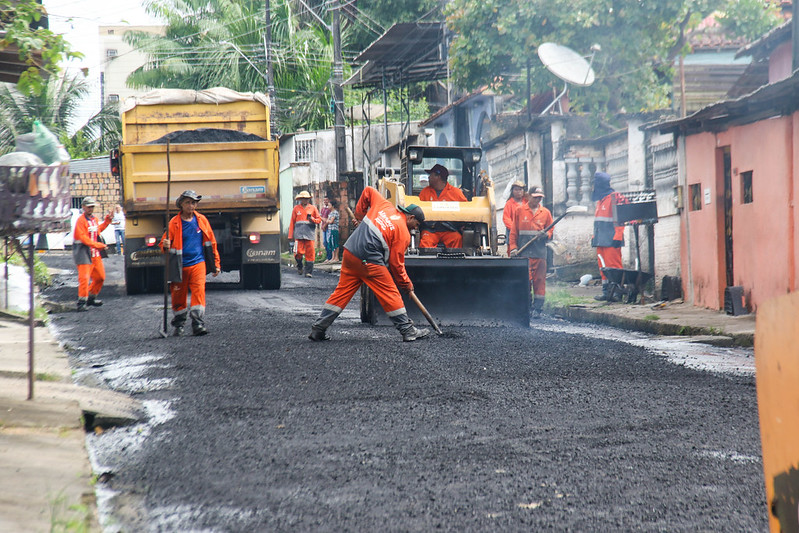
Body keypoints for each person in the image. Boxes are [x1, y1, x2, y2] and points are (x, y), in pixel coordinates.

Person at [309, 186, 429, 342]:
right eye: (417, 225)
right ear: (411, 217)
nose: (416, 229)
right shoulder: (403, 233)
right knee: (390, 292)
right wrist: (406, 285)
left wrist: (360, 216)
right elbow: (396, 264)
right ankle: (407, 330)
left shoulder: (384, 205)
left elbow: (368, 191)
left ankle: (318, 329)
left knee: (341, 293)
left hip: (350, 253)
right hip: (369, 259)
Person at [160, 190, 221, 336]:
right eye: (188, 202)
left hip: (198, 263)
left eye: (193, 203)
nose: (191, 205)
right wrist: (165, 245)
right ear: (181, 204)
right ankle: (179, 324)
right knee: (178, 296)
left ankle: (198, 324)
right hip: (179, 265)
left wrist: (216, 263)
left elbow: (212, 242)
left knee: (199, 291)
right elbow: (163, 245)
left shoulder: (202, 220)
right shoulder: (174, 223)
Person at [509, 186, 554, 319]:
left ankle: (538, 309)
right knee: (525, 281)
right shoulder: (520, 210)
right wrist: (513, 248)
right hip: (524, 254)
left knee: (539, 281)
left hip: (540, 253)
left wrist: (546, 234)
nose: (538, 199)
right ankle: (526, 307)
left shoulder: (545, 212)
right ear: (529, 196)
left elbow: (551, 230)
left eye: (540, 197)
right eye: (535, 197)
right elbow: (513, 232)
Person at [591, 171, 627, 301]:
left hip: (612, 239)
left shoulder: (615, 197)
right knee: (603, 267)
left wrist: (618, 235)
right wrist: (594, 236)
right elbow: (599, 221)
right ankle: (607, 293)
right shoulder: (600, 200)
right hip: (601, 240)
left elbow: (621, 218)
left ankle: (617, 293)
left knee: (614, 266)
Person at [72, 196, 112, 311]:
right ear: (83, 207)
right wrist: (98, 245)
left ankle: (91, 297)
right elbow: (83, 238)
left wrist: (107, 221)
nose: (91, 209)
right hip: (84, 252)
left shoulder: (94, 220)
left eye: (92, 207)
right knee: (84, 278)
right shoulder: (81, 221)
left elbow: (97, 230)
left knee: (100, 277)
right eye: (89, 207)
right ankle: (81, 303)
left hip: (95, 254)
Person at [418, 163, 468, 248]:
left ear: (438, 177)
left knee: (457, 239)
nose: (429, 177)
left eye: (431, 175)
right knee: (425, 243)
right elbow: (417, 210)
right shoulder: (424, 192)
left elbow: (467, 210)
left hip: (449, 229)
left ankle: (455, 261)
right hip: (430, 230)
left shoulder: (456, 193)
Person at [289, 191, 322, 278]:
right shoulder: (296, 208)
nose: (305, 200)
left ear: (308, 199)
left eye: (306, 199)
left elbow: (319, 220)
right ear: (300, 199)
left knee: (310, 253)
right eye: (303, 199)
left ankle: (308, 272)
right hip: (298, 234)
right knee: (298, 252)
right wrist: (290, 235)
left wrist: (312, 220)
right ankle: (299, 265)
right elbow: (292, 222)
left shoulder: (313, 208)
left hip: (309, 234)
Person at [503, 180, 526, 251]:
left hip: (525, 231)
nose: (518, 192)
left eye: (520, 189)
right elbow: (506, 218)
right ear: (512, 191)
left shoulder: (527, 202)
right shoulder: (509, 203)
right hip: (512, 231)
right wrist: (514, 228)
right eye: (516, 189)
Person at [326, 199, 341, 263]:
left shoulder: (335, 212)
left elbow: (331, 221)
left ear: (332, 206)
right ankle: (333, 257)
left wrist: (329, 221)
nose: (328, 206)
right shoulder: (330, 213)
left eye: (329, 205)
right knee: (331, 243)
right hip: (330, 229)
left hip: (334, 229)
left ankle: (336, 257)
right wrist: (329, 221)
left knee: (335, 243)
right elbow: (329, 221)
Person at [320, 196, 332, 262]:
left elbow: (328, 220)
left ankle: (329, 257)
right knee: (325, 242)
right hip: (324, 228)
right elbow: (321, 218)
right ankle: (328, 256)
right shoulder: (323, 209)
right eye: (324, 200)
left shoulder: (329, 209)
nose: (325, 201)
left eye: (326, 200)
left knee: (328, 242)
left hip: (328, 227)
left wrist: (324, 225)